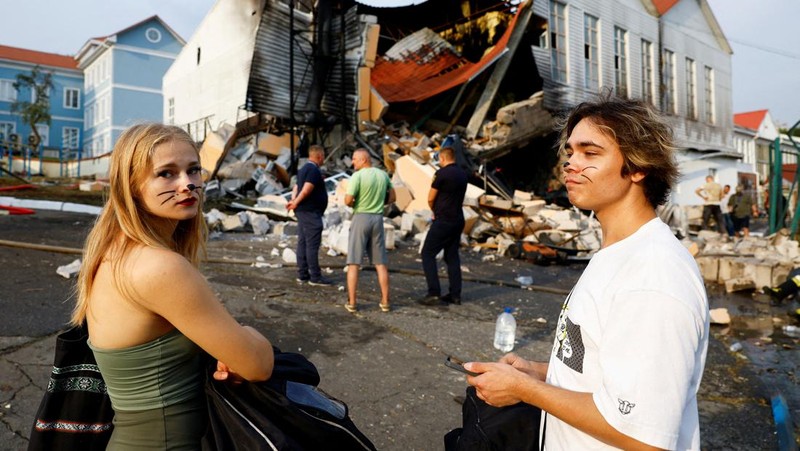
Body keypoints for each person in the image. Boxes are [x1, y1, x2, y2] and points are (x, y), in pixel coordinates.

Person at [463, 97, 710, 450]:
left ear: (638, 167)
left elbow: (644, 437)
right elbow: (610, 370)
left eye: (590, 153)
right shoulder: (616, 252)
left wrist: (525, 390)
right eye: (570, 151)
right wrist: (541, 373)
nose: (570, 163)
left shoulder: (653, 278)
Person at [72, 123, 275, 449]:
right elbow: (258, 364)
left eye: (193, 170)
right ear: (132, 186)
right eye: (167, 174)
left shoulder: (113, 252)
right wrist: (247, 336)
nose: (188, 184)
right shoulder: (160, 267)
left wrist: (221, 350)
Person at [344, 148, 395, 313]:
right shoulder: (383, 175)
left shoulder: (357, 176)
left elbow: (348, 200)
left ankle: (352, 302)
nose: (352, 162)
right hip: (377, 218)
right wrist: (379, 203)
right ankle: (385, 301)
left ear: (363, 160)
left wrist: (355, 203)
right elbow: (393, 197)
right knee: (380, 263)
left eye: (354, 159)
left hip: (361, 217)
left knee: (354, 263)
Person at [419, 146, 468, 306]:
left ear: (442, 158)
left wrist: (434, 210)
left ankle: (434, 292)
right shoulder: (463, 174)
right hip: (458, 219)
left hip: (444, 220)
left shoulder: (441, 174)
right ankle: (455, 294)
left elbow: (431, 197)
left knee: (428, 253)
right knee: (452, 256)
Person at [287, 144, 332, 286]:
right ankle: (315, 277)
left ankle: (303, 274)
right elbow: (306, 190)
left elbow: (296, 187)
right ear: (319, 156)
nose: (324, 159)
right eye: (323, 156)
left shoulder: (303, 169)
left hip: (303, 211)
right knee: (311, 245)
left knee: (303, 242)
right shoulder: (313, 170)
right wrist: (295, 203)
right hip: (310, 212)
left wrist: (294, 200)